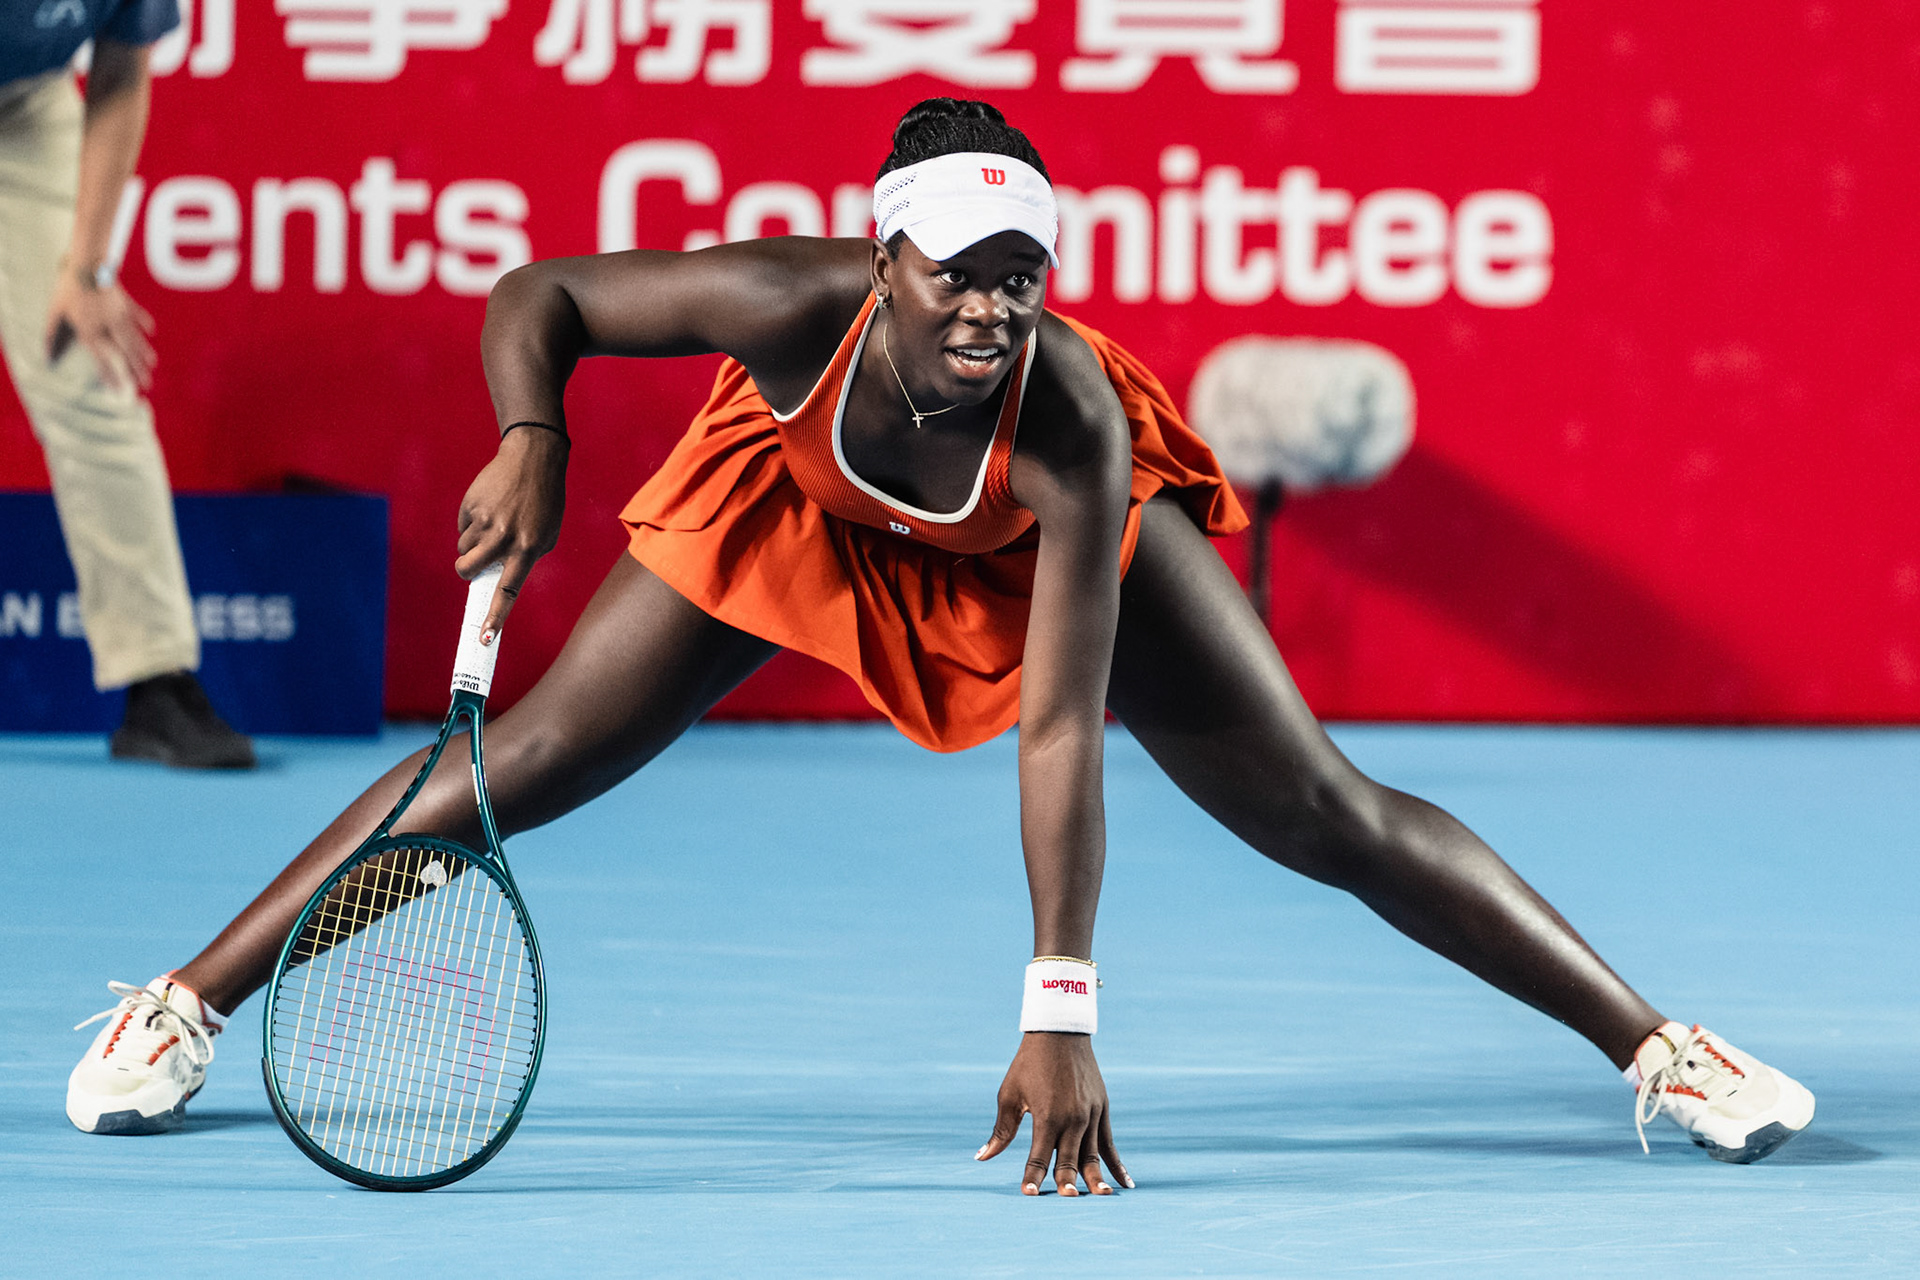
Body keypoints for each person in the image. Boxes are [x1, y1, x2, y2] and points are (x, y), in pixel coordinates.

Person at [67, 99, 1812, 1186]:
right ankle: (184, 1006)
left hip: (1023, 548)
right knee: (519, 762)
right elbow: (549, 296)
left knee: (1324, 809)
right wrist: (536, 439)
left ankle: (1660, 1049)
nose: (989, 309)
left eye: (1020, 278)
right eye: (956, 273)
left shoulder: (1070, 421)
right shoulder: (787, 303)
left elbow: (1059, 730)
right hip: (796, 498)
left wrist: (1060, 1005)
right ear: (883, 256)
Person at [1, 0, 254, 769]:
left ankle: (156, 680)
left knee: (88, 373)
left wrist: (84, 271)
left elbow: (119, 70)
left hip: (24, 106)